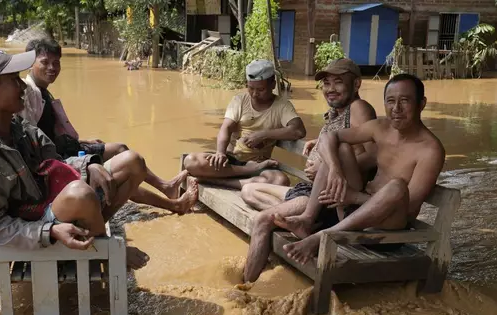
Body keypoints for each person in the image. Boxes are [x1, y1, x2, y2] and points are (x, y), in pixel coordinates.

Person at [0, 46, 149, 268]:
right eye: (13, 80)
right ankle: (103, 250)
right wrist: (49, 230)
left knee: (132, 162)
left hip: (44, 200)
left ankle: (91, 233)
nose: (22, 86)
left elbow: (53, 160)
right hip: (29, 225)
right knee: (80, 194)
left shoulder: (15, 125)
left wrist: (88, 166)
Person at [272, 74, 445, 267]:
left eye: (405, 101)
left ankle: (322, 236)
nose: (396, 109)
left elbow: (408, 209)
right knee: (340, 148)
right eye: (390, 101)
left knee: (396, 186)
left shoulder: (430, 150)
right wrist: (336, 170)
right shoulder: (381, 127)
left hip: (387, 231)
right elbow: (329, 137)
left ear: (422, 104)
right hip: (353, 212)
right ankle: (307, 218)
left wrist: (354, 197)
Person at [20, 38, 198, 215]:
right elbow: (34, 142)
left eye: (56, 62)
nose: (51, 68)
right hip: (57, 158)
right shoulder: (28, 92)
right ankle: (173, 203)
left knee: (120, 148)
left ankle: (165, 187)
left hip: (65, 147)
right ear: (30, 64)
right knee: (128, 167)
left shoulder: (43, 91)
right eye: (44, 62)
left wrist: (83, 141)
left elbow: (49, 132)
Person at [240, 58, 377, 211]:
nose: (330, 89)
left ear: (356, 84)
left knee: (263, 214)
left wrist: (326, 169)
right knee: (249, 191)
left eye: (338, 82)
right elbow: (350, 135)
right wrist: (319, 141)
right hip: (314, 192)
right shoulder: (337, 112)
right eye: (326, 83)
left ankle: (297, 213)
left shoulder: (359, 108)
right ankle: (293, 212)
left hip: (335, 196)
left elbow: (374, 157)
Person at [183, 59, 307, 189]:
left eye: (260, 89)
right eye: (251, 88)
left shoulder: (282, 106)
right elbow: (226, 128)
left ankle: (222, 181)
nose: (254, 94)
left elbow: (298, 131)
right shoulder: (239, 100)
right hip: (230, 162)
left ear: (273, 84)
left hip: (258, 163)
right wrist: (220, 153)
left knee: (280, 180)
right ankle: (245, 174)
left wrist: (263, 135)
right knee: (191, 161)